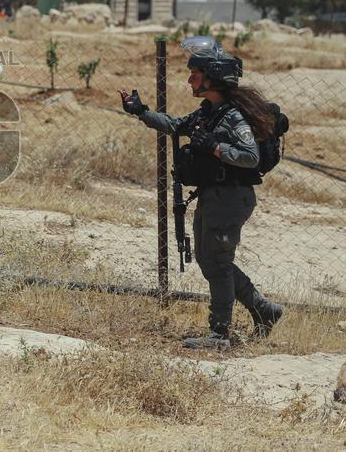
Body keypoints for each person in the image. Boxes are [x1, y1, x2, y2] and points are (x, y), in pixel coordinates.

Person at [118, 36, 284, 350]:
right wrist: (141, 112)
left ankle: (219, 335)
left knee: (217, 264)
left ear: (213, 78)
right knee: (209, 261)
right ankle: (264, 310)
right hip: (215, 196)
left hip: (231, 198)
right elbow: (174, 125)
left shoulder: (232, 117)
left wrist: (215, 148)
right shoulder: (209, 111)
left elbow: (250, 156)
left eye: (195, 74)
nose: (190, 79)